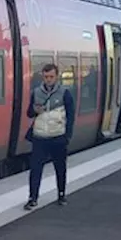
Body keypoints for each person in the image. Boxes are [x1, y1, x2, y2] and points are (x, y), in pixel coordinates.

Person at [24, 62, 75, 210]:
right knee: (35, 169)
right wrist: (35, 110)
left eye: (51, 76)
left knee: (60, 167)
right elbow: (29, 113)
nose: (48, 79)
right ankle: (32, 198)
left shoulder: (65, 93)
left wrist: (67, 136)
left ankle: (61, 194)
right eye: (46, 77)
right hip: (40, 137)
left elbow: (71, 116)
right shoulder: (36, 92)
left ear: (56, 77)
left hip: (58, 137)